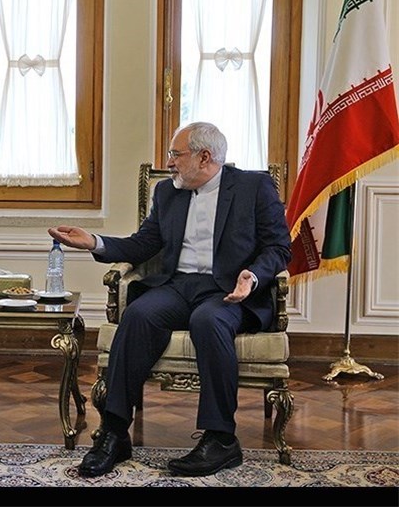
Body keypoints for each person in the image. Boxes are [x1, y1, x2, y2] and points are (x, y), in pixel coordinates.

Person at [49, 121, 290, 478]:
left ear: (204, 157)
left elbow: (278, 247)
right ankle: (114, 433)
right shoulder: (167, 192)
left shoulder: (253, 188)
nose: (169, 162)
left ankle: (221, 439)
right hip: (179, 286)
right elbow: (144, 244)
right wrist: (95, 243)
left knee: (208, 320)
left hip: (228, 291)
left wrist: (252, 276)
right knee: (138, 315)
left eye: (176, 154)